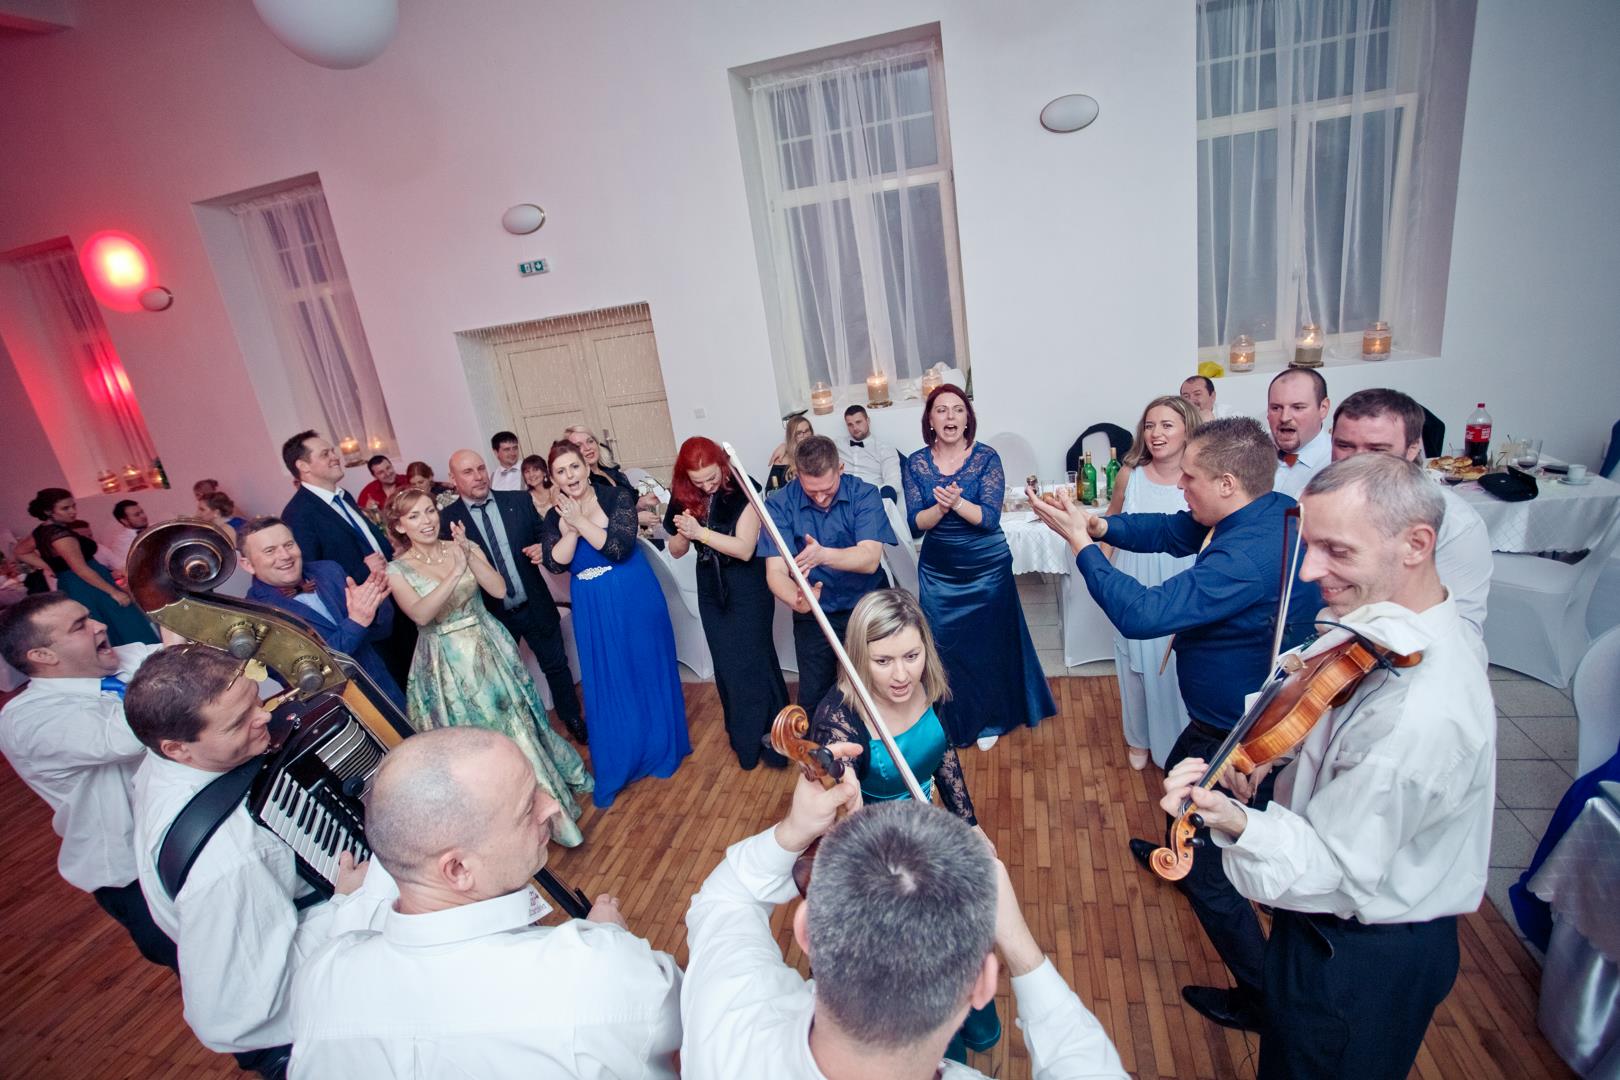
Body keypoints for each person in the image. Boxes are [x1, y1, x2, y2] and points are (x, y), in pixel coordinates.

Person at [1161, 454, 1495, 1079]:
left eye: (1336, 551)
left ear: (1416, 545)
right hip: (1327, 929)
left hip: (1355, 953)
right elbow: (1323, 712)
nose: (1311, 571)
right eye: (1310, 545)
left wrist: (1234, 820)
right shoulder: (1383, 625)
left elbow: (1334, 869)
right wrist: (1273, 753)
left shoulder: (1416, 717)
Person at [1028, 416, 1321, 1034]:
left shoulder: (1245, 557)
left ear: (1227, 483)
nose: (1179, 487)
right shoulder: (1267, 509)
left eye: (1189, 479)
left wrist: (1082, 547)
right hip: (1217, 718)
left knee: (1210, 874)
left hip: (1239, 733)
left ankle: (1264, 997)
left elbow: (1142, 612)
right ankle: (1176, 846)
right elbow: (1170, 529)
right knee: (1179, 796)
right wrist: (1100, 525)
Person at [681, 769, 1128, 1080]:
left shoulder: (726, 1025)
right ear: (981, 985)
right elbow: (1087, 1064)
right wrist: (1021, 950)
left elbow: (727, 898)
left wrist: (795, 829)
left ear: (806, 932)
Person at [288, 727, 682, 1078]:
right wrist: (608, 938)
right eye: (527, 807)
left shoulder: (321, 975)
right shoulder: (598, 972)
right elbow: (693, 1013)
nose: (551, 806)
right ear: (458, 869)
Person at [126, 644, 390, 1076]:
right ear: (177, 749)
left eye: (255, 700)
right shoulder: (231, 859)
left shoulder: (166, 762)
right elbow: (237, 1012)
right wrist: (347, 902)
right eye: (238, 723)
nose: (264, 717)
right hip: (316, 1034)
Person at [807, 588, 999, 1059]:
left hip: (928, 831)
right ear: (859, 656)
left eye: (911, 656)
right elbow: (835, 810)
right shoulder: (838, 718)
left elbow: (942, 753)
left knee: (953, 941)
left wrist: (969, 824)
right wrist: (845, 800)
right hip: (876, 854)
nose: (901, 675)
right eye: (883, 661)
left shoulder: (926, 683)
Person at [382, 488, 593, 846]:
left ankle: (547, 807)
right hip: (446, 663)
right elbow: (420, 614)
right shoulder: (396, 570)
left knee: (519, 723)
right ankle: (498, 820)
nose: (427, 521)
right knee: (474, 740)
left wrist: (469, 555)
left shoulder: (461, 546)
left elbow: (497, 589)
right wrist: (455, 573)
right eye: (414, 516)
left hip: (488, 645)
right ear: (400, 526)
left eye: (429, 511)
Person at [0, 594, 175, 969]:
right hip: (134, 873)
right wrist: (177, 652)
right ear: (43, 656)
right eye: (80, 626)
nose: (100, 625)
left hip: (183, 835)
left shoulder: (124, 658)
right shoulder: (25, 719)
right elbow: (130, 736)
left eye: (89, 616)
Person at [903, 386, 1054, 751]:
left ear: (967, 418)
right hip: (939, 571)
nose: (950, 417)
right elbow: (915, 524)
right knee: (942, 644)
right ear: (930, 419)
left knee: (988, 645)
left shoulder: (987, 457)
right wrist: (940, 508)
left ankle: (990, 718)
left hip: (986, 567)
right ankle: (950, 716)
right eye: (942, 410)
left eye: (958, 409)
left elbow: (988, 518)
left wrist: (956, 503)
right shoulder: (916, 463)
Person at [542, 440, 691, 807]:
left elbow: (619, 548)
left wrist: (579, 521)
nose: (569, 476)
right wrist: (570, 527)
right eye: (560, 471)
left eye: (574, 467)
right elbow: (556, 562)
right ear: (553, 478)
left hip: (632, 594)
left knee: (644, 669)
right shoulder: (553, 516)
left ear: (585, 467)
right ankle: (621, 758)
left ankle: (658, 746)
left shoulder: (616, 497)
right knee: (608, 678)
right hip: (591, 604)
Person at [438, 449, 585, 742]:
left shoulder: (517, 501)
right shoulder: (447, 520)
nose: (478, 476)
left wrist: (543, 547)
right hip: (491, 615)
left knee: (556, 666)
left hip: (535, 603)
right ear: (453, 479)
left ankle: (573, 720)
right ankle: (525, 736)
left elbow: (545, 535)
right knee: (506, 678)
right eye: (468, 472)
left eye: (481, 468)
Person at [665, 436, 789, 770]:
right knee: (727, 664)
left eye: (712, 477)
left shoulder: (744, 486)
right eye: (698, 481)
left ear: (722, 465)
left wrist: (700, 533)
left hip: (747, 584)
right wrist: (683, 533)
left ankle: (776, 735)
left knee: (755, 659)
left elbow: (745, 548)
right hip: (710, 584)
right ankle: (745, 738)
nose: (707, 486)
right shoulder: (684, 494)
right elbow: (676, 550)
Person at [1329, 387, 1492, 638]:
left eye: (1377, 449)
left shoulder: (1455, 523)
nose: (1357, 461)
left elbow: (1462, 631)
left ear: (1413, 448)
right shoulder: (1319, 500)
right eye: (1344, 446)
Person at [757, 434, 897, 714]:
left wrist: (823, 555)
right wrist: (797, 599)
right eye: (812, 491)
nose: (820, 498)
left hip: (867, 605)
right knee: (814, 697)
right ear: (797, 475)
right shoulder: (778, 504)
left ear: (840, 468)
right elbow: (776, 572)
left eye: (828, 489)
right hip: (815, 612)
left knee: (880, 688)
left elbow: (870, 558)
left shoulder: (865, 494)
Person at [1104, 396, 1202, 770]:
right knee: (1135, 667)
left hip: (1182, 581)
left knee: (1179, 666)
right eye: (1149, 425)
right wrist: (1104, 578)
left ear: (1188, 430)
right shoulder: (1129, 475)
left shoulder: (1200, 477)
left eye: (1166, 425)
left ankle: (1180, 744)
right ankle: (1139, 738)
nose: (1155, 433)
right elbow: (1111, 525)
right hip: (1136, 579)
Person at [280, 430, 414, 687]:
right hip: (368, 617)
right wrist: (363, 570)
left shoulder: (344, 497)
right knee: (398, 683)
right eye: (325, 454)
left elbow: (362, 540)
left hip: (391, 600)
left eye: (332, 451)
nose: (335, 457)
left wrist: (390, 552)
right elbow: (311, 576)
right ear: (303, 466)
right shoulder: (299, 513)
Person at [237, 516, 405, 709]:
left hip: (386, 688)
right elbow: (308, 677)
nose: (285, 555)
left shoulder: (329, 570)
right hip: (341, 710)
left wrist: (374, 606)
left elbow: (381, 632)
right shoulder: (256, 617)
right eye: (270, 550)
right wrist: (356, 622)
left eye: (289, 545)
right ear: (247, 564)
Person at [27, 488, 158, 646]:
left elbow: (21, 552)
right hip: (90, 585)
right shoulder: (59, 535)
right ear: (48, 511)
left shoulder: (41, 532)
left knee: (109, 627)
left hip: (76, 583)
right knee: (125, 623)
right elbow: (81, 569)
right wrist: (114, 592)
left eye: (73, 506)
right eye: (65, 508)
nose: (73, 511)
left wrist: (51, 567)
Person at [563, 425, 663, 533]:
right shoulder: (580, 484)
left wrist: (642, 502)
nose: (588, 448)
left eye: (590, 441)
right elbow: (591, 523)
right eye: (578, 446)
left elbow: (624, 507)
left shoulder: (612, 471)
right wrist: (635, 518)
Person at [1267, 368, 1332, 498]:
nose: (1284, 417)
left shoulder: (1335, 464)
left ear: (1323, 408)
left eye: (1298, 407)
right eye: (1276, 408)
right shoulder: (1253, 445)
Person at [840, 404, 902, 502]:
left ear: (868, 421)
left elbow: (894, 483)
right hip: (842, 500)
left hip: (871, 499)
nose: (855, 428)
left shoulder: (885, 449)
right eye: (850, 425)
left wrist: (870, 494)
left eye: (858, 422)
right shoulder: (836, 445)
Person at [766, 414, 814, 493]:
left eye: (807, 431)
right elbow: (769, 492)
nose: (805, 436)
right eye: (799, 433)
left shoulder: (819, 453)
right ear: (792, 436)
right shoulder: (782, 460)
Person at [101, 499, 148, 572]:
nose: (143, 516)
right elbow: (129, 569)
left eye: (142, 512)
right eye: (137, 515)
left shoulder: (154, 527)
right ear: (124, 521)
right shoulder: (121, 543)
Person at [520, 453, 555, 518]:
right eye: (527, 472)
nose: (531, 475)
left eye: (535, 470)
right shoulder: (526, 498)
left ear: (544, 472)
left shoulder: (555, 488)